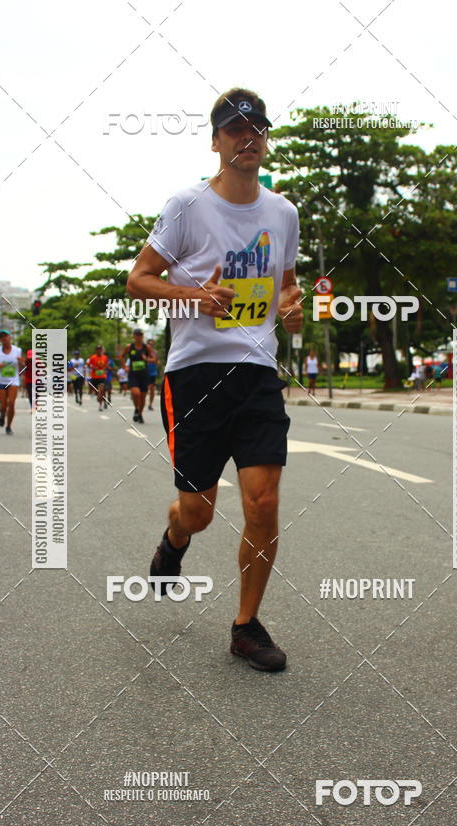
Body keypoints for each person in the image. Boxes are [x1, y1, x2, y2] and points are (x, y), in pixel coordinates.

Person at [127, 87, 302, 671]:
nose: (247, 138)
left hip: (256, 372)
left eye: (256, 129)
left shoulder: (282, 213)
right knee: (198, 509)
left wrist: (294, 304)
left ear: (265, 139)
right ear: (216, 141)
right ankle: (175, 538)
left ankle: (246, 626)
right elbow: (139, 279)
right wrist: (192, 296)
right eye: (234, 130)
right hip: (195, 373)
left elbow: (288, 283)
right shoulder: (186, 206)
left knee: (265, 501)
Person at [0, 329, 24, 434]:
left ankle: (8, 426)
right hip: (1, 381)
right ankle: (2, 414)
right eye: (1, 337)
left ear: (10, 337)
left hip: (13, 381)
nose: (4, 338)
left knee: (11, 403)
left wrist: (21, 362)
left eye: (5, 336)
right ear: (0, 339)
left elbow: (23, 366)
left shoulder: (17, 350)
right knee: (3, 405)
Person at [120, 328, 151, 424]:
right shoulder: (129, 347)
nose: (138, 337)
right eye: (137, 335)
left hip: (144, 374)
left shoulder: (146, 347)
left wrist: (146, 359)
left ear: (142, 336)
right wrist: (124, 366)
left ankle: (140, 413)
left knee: (143, 396)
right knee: (136, 393)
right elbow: (121, 356)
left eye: (140, 335)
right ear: (133, 336)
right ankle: (136, 409)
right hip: (133, 374)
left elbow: (154, 359)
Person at [87, 345, 109, 410]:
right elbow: (88, 365)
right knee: (98, 392)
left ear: (102, 350)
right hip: (94, 377)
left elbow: (106, 365)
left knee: (101, 390)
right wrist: (93, 367)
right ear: (96, 350)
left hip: (102, 376)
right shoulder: (92, 357)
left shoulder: (105, 357)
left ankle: (100, 406)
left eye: (100, 349)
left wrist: (105, 369)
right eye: (97, 349)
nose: (99, 350)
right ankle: (103, 401)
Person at [146, 339, 160, 410]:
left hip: (152, 373)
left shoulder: (155, 352)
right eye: (149, 344)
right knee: (144, 389)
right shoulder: (144, 351)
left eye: (152, 344)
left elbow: (157, 361)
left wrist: (157, 362)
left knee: (152, 389)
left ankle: (150, 404)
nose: (151, 345)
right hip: (145, 372)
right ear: (147, 344)